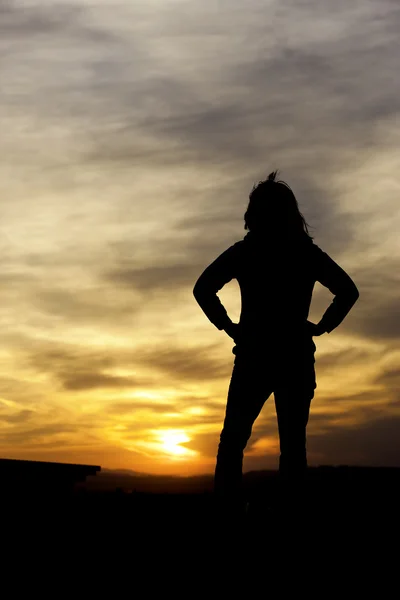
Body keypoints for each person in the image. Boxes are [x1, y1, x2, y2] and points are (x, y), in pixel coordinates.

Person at [193, 171, 359, 514]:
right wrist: (320, 327)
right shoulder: (305, 254)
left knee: (233, 442)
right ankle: (289, 515)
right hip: (293, 355)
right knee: (292, 447)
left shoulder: (246, 252)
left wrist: (229, 327)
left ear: (254, 214)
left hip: (255, 354)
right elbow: (348, 291)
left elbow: (203, 288)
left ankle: (227, 511)